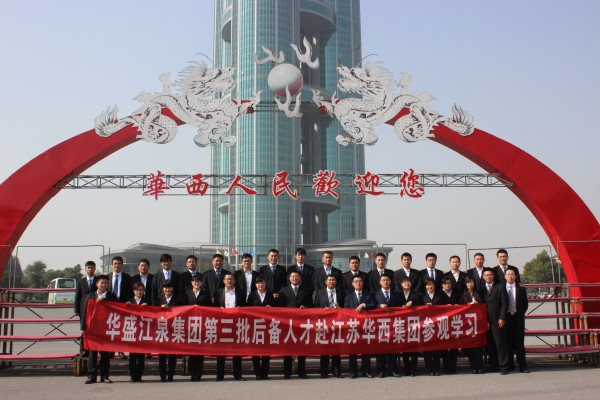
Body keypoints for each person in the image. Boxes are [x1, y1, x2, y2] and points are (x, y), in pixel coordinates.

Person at [81, 274, 117, 384]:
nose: (104, 285)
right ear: (97, 284)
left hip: (106, 328)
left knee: (105, 354)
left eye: (106, 283)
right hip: (93, 329)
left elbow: (116, 310)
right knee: (92, 354)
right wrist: (83, 328)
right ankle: (91, 376)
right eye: (102, 283)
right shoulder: (90, 296)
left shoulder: (111, 296)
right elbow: (84, 312)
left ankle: (105, 376)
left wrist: (104, 301)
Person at [278, 270, 312, 379]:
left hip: (302, 323)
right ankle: (287, 372)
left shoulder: (306, 290)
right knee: (288, 348)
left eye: (297, 276)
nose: (295, 278)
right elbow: (280, 307)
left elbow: (311, 305)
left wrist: (305, 307)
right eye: (292, 276)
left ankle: (302, 371)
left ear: (300, 278)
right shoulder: (283, 291)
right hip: (287, 323)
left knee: (302, 348)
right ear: (289, 278)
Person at [214, 272, 247, 381]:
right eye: (227, 279)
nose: (229, 281)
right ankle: (220, 375)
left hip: (236, 324)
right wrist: (219, 309)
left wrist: (240, 309)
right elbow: (213, 307)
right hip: (222, 324)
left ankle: (237, 375)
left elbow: (245, 307)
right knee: (221, 351)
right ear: (224, 281)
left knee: (237, 351)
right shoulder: (218, 292)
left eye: (231, 279)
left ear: (234, 281)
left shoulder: (241, 292)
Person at [343, 275, 376, 378]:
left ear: (363, 283)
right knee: (352, 351)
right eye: (356, 281)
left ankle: (366, 371)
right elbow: (346, 309)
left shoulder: (368, 295)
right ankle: (353, 371)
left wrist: (364, 305)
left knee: (366, 350)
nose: (358, 283)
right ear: (352, 284)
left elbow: (374, 305)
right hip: (353, 326)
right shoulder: (348, 296)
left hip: (366, 326)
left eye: (360, 281)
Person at [479, 267, 510, 375]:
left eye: (490, 275)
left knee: (500, 344)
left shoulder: (500, 287)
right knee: (490, 345)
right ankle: (493, 365)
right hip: (486, 321)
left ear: (493, 276)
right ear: (483, 277)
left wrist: (502, 317)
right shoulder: (481, 289)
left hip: (498, 320)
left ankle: (504, 366)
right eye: (486, 275)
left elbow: (504, 303)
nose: (488, 277)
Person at [314, 275, 345, 378]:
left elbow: (346, 306)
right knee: (325, 348)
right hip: (325, 323)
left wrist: (340, 308)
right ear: (325, 282)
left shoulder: (341, 292)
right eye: (330, 280)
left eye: (333, 280)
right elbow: (315, 306)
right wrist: (323, 309)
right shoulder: (320, 293)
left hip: (338, 323)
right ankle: (324, 371)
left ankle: (336, 370)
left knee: (337, 348)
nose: (331, 282)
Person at [247, 277, 276, 380]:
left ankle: (265, 373)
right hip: (255, 325)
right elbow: (248, 309)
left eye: (262, 283)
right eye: (258, 283)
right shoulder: (252, 295)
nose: (260, 285)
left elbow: (275, 308)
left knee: (266, 350)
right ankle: (257, 373)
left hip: (267, 325)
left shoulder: (270, 294)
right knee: (255, 351)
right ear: (255, 285)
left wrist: (270, 308)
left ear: (265, 284)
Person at [185, 275, 211, 381]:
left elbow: (210, 308)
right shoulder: (187, 293)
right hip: (190, 325)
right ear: (192, 283)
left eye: (198, 281)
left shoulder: (205, 294)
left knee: (200, 351)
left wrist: (201, 309)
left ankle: (199, 374)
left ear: (201, 283)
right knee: (192, 350)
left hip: (202, 324)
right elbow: (183, 307)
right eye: (194, 281)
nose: (196, 283)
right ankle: (192, 373)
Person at [374, 274, 401, 378]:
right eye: (383, 280)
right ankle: (381, 370)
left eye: (387, 280)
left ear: (390, 282)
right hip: (380, 325)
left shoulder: (396, 294)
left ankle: (393, 369)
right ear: (380, 282)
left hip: (393, 325)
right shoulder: (375, 294)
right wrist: (379, 305)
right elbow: (371, 305)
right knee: (380, 349)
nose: (385, 282)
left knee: (392, 348)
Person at [434, 277, 460, 374]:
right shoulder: (439, 294)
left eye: (449, 283)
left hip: (454, 321)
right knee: (445, 345)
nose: (447, 285)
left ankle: (453, 367)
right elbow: (436, 306)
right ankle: (446, 367)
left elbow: (461, 303)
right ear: (442, 285)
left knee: (454, 345)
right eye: (445, 284)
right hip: (443, 322)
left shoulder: (456, 293)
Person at [505, 269, 529, 373]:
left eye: (512, 274)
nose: (510, 276)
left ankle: (522, 365)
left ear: (515, 276)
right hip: (506, 318)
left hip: (518, 318)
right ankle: (510, 365)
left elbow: (525, 304)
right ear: (505, 277)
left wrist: (519, 313)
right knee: (508, 343)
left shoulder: (521, 289)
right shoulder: (501, 288)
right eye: (508, 275)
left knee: (520, 343)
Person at [157, 280, 181, 382]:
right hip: (162, 329)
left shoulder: (178, 299)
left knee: (172, 354)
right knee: (162, 355)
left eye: (169, 287)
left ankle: (171, 375)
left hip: (173, 329)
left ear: (172, 288)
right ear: (163, 289)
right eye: (166, 287)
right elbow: (153, 311)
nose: (168, 289)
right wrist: (160, 308)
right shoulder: (158, 299)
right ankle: (162, 375)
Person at [398, 276, 420, 376]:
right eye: (404, 282)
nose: (407, 283)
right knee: (405, 348)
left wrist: (413, 302)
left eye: (408, 282)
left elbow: (420, 306)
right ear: (401, 284)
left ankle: (414, 369)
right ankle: (407, 368)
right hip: (402, 324)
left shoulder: (416, 294)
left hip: (414, 323)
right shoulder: (398, 294)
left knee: (414, 348)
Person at [461, 276, 483, 374]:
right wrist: (469, 305)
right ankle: (473, 366)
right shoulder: (463, 295)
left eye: (471, 282)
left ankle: (480, 366)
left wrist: (478, 303)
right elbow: (460, 307)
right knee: (470, 346)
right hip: (468, 322)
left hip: (478, 322)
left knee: (478, 345)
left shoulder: (478, 293)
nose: (470, 284)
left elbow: (484, 305)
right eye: (468, 282)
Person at [127, 282, 148, 382]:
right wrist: (126, 307)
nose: (139, 292)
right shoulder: (129, 301)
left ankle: (139, 375)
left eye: (141, 290)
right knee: (132, 356)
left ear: (144, 291)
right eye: (137, 290)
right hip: (132, 331)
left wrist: (148, 307)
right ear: (133, 291)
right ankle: (132, 376)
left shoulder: (147, 301)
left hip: (142, 332)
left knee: (141, 356)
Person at [75, 261, 97, 357]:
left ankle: (94, 349)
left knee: (94, 329)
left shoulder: (98, 280)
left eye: (92, 267)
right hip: (83, 309)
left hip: (95, 309)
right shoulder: (81, 281)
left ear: (95, 268)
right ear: (85, 269)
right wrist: (76, 309)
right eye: (88, 267)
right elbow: (78, 295)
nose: (90, 269)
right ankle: (84, 349)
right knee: (84, 329)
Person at [420, 278, 441, 376]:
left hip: (437, 324)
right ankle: (429, 369)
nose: (429, 287)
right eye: (427, 285)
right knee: (427, 348)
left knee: (437, 348)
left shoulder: (440, 296)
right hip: (426, 324)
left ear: (434, 285)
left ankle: (436, 368)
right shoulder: (422, 296)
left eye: (431, 284)